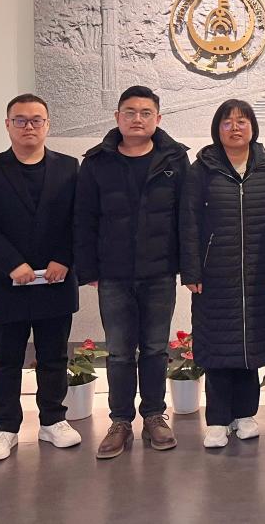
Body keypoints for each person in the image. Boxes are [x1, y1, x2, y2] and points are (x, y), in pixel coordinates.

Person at [74, 85, 190, 459]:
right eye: (130, 112)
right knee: (120, 352)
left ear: (158, 118)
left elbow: (186, 218)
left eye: (145, 113)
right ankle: (120, 421)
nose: (137, 119)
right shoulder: (96, 161)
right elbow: (84, 219)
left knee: (155, 348)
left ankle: (154, 415)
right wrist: (88, 269)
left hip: (159, 273)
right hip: (114, 274)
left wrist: (187, 268)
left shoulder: (175, 160)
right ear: (117, 117)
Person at [0, 94, 82, 462]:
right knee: (5, 358)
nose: (28, 126)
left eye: (36, 120)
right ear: (8, 125)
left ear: (48, 124)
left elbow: (80, 219)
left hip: (56, 280)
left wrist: (64, 258)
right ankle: (5, 427)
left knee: (54, 356)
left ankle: (53, 420)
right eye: (20, 120)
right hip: (7, 283)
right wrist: (12, 263)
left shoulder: (70, 168)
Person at [180, 100, 265, 449]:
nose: (235, 128)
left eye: (242, 121)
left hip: (258, 272)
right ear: (217, 129)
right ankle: (217, 420)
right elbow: (188, 223)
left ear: (253, 127)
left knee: (251, 344)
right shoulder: (202, 169)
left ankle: (246, 414)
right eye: (227, 122)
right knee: (217, 345)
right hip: (214, 273)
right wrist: (191, 270)